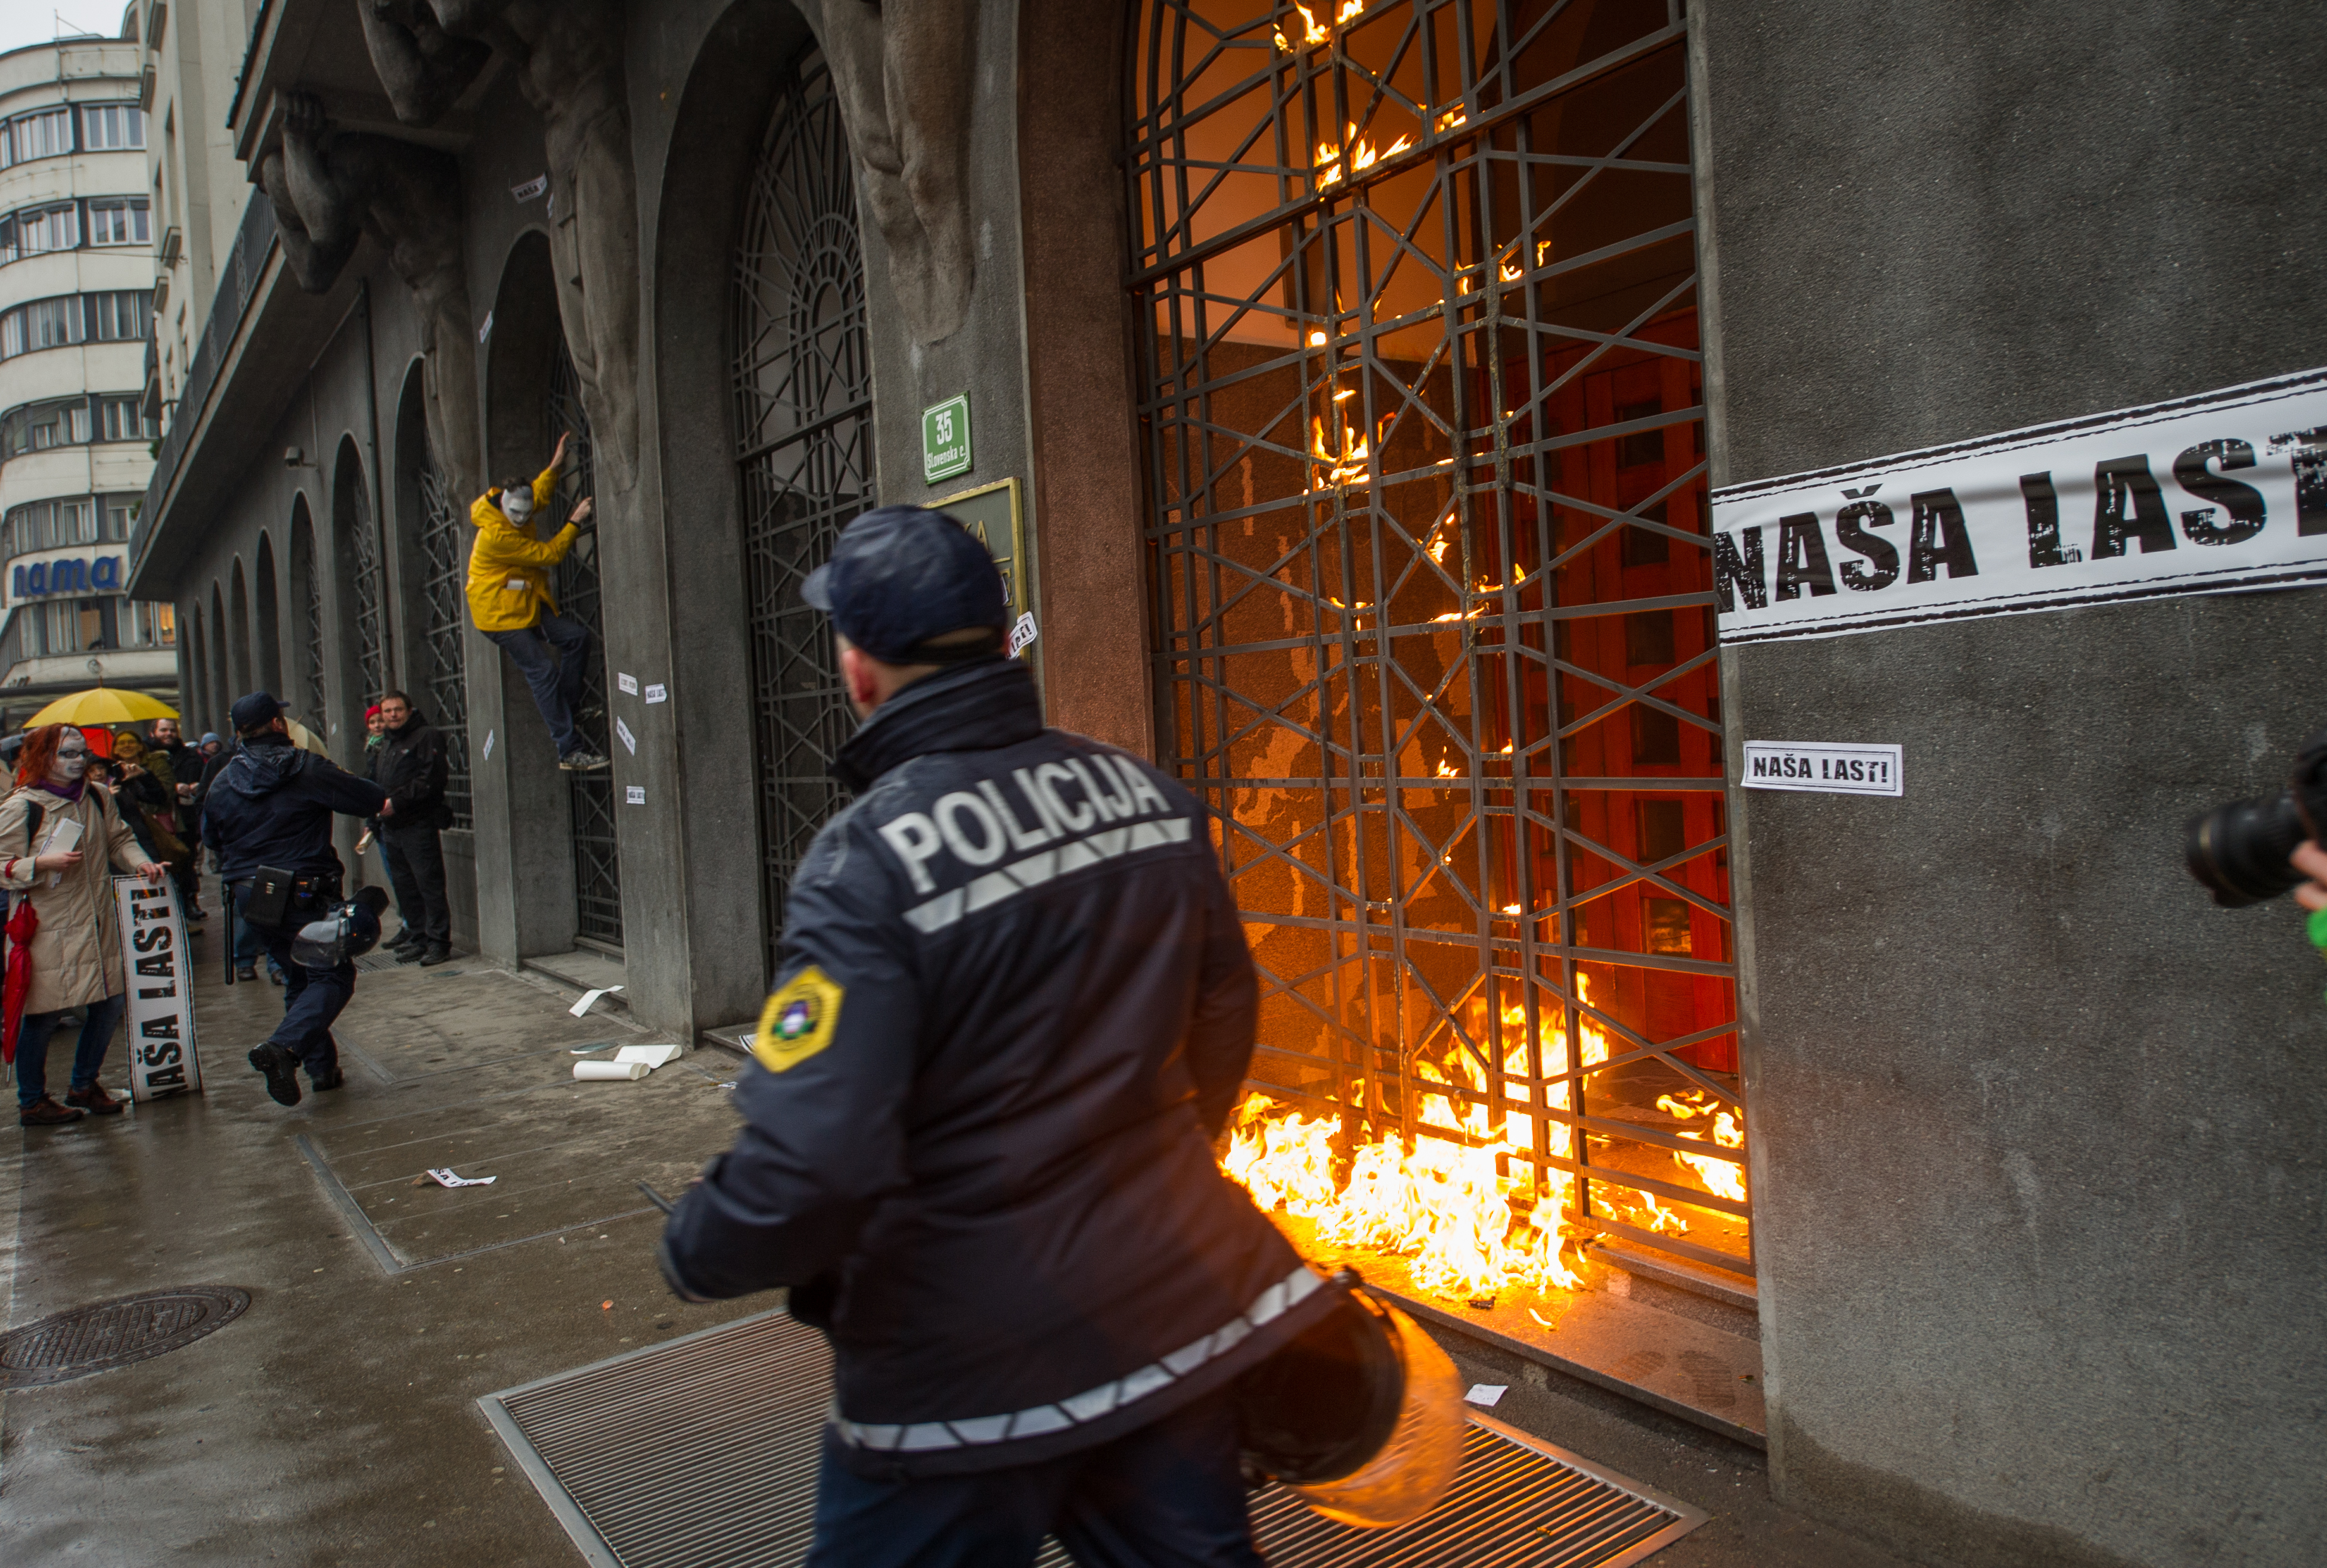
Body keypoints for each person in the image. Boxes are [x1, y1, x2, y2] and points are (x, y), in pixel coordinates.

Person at [657, 507, 1335, 1567]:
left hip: (954, 1383)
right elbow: (1220, 1022)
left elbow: (811, 1162)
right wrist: (1142, 1175)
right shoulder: (1150, 801)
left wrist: (699, 1244)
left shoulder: (864, 864)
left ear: (859, 669)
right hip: (1167, 1324)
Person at [201, 693, 388, 1106]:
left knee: (298, 974)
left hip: (251, 893)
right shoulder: (304, 766)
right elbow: (371, 798)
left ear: (238, 732)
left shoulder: (222, 780)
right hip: (303, 889)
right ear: (278, 724)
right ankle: (283, 1048)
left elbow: (211, 838)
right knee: (331, 976)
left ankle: (322, 1068)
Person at [1, 726, 170, 1126]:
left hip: (97, 922)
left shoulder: (95, 796)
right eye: (67, 754)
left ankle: (84, 1085)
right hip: (47, 929)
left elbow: (119, 839)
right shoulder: (20, 806)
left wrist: (140, 863)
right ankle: (32, 1100)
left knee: (109, 1002)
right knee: (42, 1015)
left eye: (82, 753)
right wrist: (37, 865)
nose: (79, 761)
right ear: (43, 758)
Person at [467, 430, 609, 771]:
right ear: (503, 505)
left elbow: (538, 496)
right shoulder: (496, 535)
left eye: (525, 513)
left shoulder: (509, 504)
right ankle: (568, 751)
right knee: (543, 672)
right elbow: (549, 554)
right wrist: (575, 521)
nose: (522, 519)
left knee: (576, 639)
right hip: (499, 615)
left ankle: (569, 708)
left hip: (523, 603)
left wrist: (556, 467)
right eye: (516, 513)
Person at [367, 690, 454, 965]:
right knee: (406, 886)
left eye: (398, 710)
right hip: (391, 826)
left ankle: (439, 942)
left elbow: (432, 779)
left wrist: (398, 801)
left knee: (429, 885)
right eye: (388, 711)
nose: (393, 715)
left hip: (418, 823)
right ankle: (418, 938)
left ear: (409, 710)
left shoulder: (426, 736)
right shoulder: (387, 744)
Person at [146, 717, 205, 917]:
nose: (169, 734)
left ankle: (190, 901)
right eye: (164, 730)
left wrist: (196, 786)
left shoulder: (190, 755)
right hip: (156, 817)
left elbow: (202, 777)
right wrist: (172, 788)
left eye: (172, 730)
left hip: (185, 816)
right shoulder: (146, 757)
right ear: (153, 733)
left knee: (186, 859)